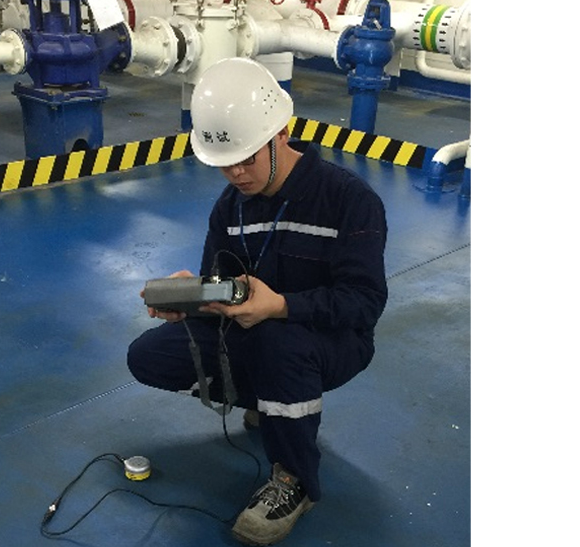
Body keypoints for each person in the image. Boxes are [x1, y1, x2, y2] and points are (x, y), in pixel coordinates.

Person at [127, 57, 388, 545]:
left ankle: (295, 479)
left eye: (247, 158)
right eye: (224, 163)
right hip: (253, 331)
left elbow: (363, 303)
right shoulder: (230, 207)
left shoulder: (348, 200)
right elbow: (222, 285)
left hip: (331, 341)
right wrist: (193, 298)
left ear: (282, 133)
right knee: (149, 356)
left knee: (279, 343)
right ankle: (269, 402)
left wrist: (281, 305)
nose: (236, 173)